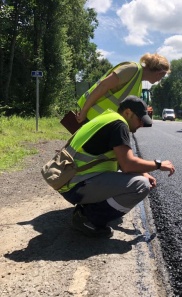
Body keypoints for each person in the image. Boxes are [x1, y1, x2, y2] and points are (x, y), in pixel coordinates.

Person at [59, 95, 175, 238]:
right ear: (127, 113)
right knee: (140, 186)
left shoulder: (109, 118)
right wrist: (158, 164)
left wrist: (143, 172)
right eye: (140, 120)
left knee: (139, 177)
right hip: (76, 185)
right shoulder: (119, 125)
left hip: (71, 180)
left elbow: (120, 159)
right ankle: (88, 218)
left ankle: (87, 207)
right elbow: (127, 164)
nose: (141, 125)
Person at [76, 53, 171, 123]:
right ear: (159, 73)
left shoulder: (138, 82)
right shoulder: (132, 69)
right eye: (162, 77)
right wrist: (84, 112)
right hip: (91, 117)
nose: (159, 80)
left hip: (102, 121)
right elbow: (102, 86)